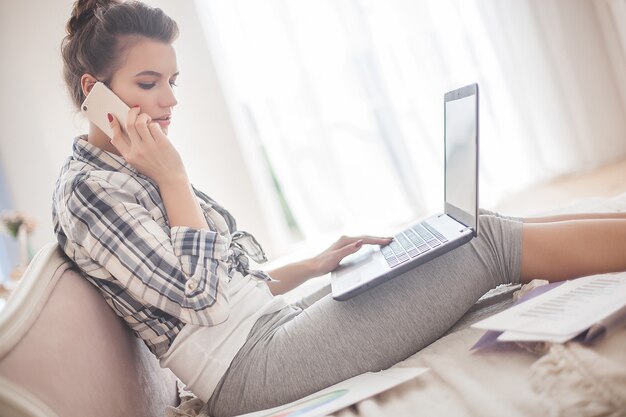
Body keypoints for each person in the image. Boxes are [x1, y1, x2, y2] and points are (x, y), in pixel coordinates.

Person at [53, 1, 626, 416]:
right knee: (487, 244)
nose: (171, 100)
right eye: (149, 82)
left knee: (465, 228)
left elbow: (227, 281)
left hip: (270, 329)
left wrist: (314, 264)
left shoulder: (129, 167)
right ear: (93, 91)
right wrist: (174, 178)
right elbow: (199, 299)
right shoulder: (89, 193)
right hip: (251, 372)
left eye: (173, 81)